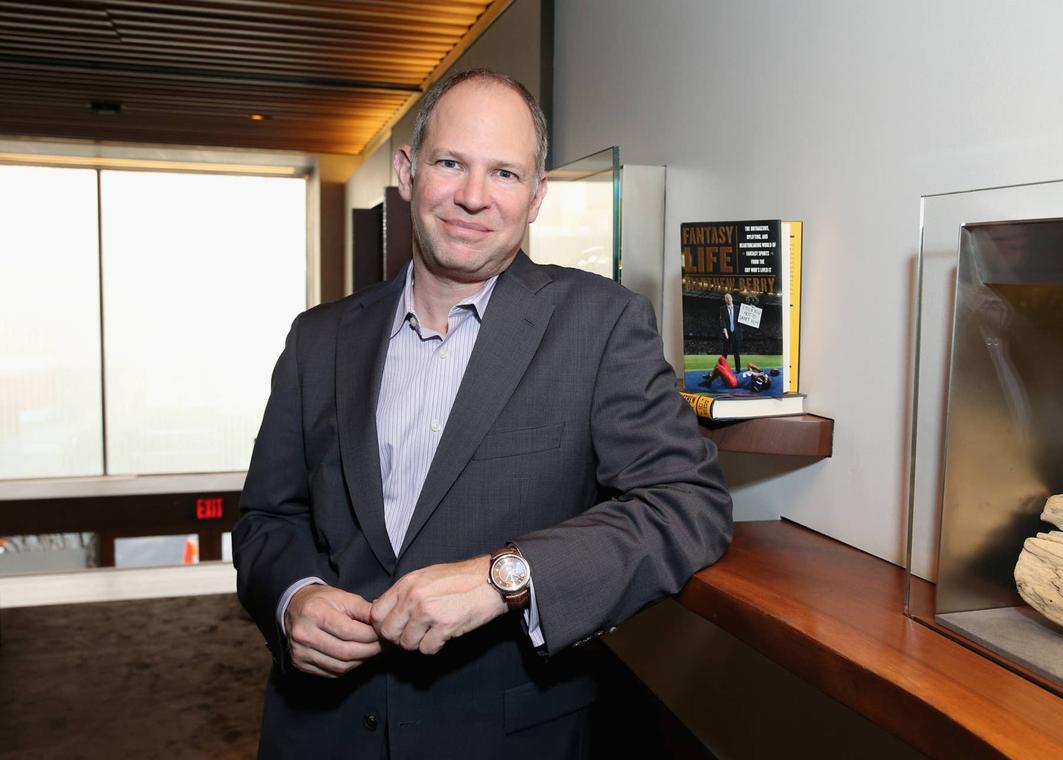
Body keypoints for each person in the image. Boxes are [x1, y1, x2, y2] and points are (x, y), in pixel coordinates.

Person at [233, 68, 732, 760]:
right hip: (322, 731)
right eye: (450, 163)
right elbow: (266, 516)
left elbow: (687, 504)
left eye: (504, 173)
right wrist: (294, 597)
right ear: (408, 171)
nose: (473, 196)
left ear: (536, 196)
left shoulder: (601, 325)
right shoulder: (318, 339)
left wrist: (506, 577)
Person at [719, 292, 743, 372]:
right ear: (725, 300)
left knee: (736, 353)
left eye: (729, 297)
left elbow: (744, 316)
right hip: (727, 334)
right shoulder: (722, 309)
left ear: (732, 298)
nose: (728, 299)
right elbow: (722, 320)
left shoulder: (738, 308)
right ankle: (722, 370)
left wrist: (751, 308)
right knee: (724, 353)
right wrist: (724, 330)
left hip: (736, 334)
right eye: (726, 298)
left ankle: (738, 370)